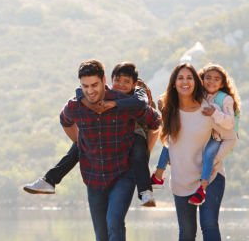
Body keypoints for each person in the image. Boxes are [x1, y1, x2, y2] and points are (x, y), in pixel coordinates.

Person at [59, 60, 161, 241]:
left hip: (122, 174)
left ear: (104, 80)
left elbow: (155, 120)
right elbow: (64, 120)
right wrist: (81, 144)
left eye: (95, 85)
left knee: (115, 222)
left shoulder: (122, 100)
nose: (90, 91)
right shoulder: (76, 105)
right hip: (93, 176)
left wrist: (143, 149)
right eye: (85, 86)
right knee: (101, 237)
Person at [23, 63, 158, 207]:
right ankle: (49, 180)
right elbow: (78, 91)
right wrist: (84, 103)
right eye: (117, 80)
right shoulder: (104, 93)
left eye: (126, 82)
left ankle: (145, 191)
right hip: (113, 136)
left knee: (138, 151)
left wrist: (112, 104)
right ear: (110, 80)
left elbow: (141, 104)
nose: (121, 85)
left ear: (134, 84)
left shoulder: (137, 92)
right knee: (79, 145)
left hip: (135, 131)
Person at [159, 62, 237, 241]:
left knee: (209, 224)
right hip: (181, 181)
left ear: (196, 82)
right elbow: (165, 144)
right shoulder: (169, 111)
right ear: (174, 83)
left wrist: (214, 163)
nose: (185, 81)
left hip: (210, 178)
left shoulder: (208, 109)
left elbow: (230, 138)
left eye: (190, 78)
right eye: (180, 78)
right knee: (186, 232)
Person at [151, 63, 241, 205]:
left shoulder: (224, 99)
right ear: (201, 80)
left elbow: (230, 125)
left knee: (208, 156)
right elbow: (180, 96)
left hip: (216, 136)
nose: (211, 81)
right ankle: (158, 174)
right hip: (201, 142)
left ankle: (202, 188)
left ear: (223, 82)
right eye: (208, 78)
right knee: (168, 143)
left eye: (216, 79)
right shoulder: (201, 95)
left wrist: (214, 113)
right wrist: (162, 103)